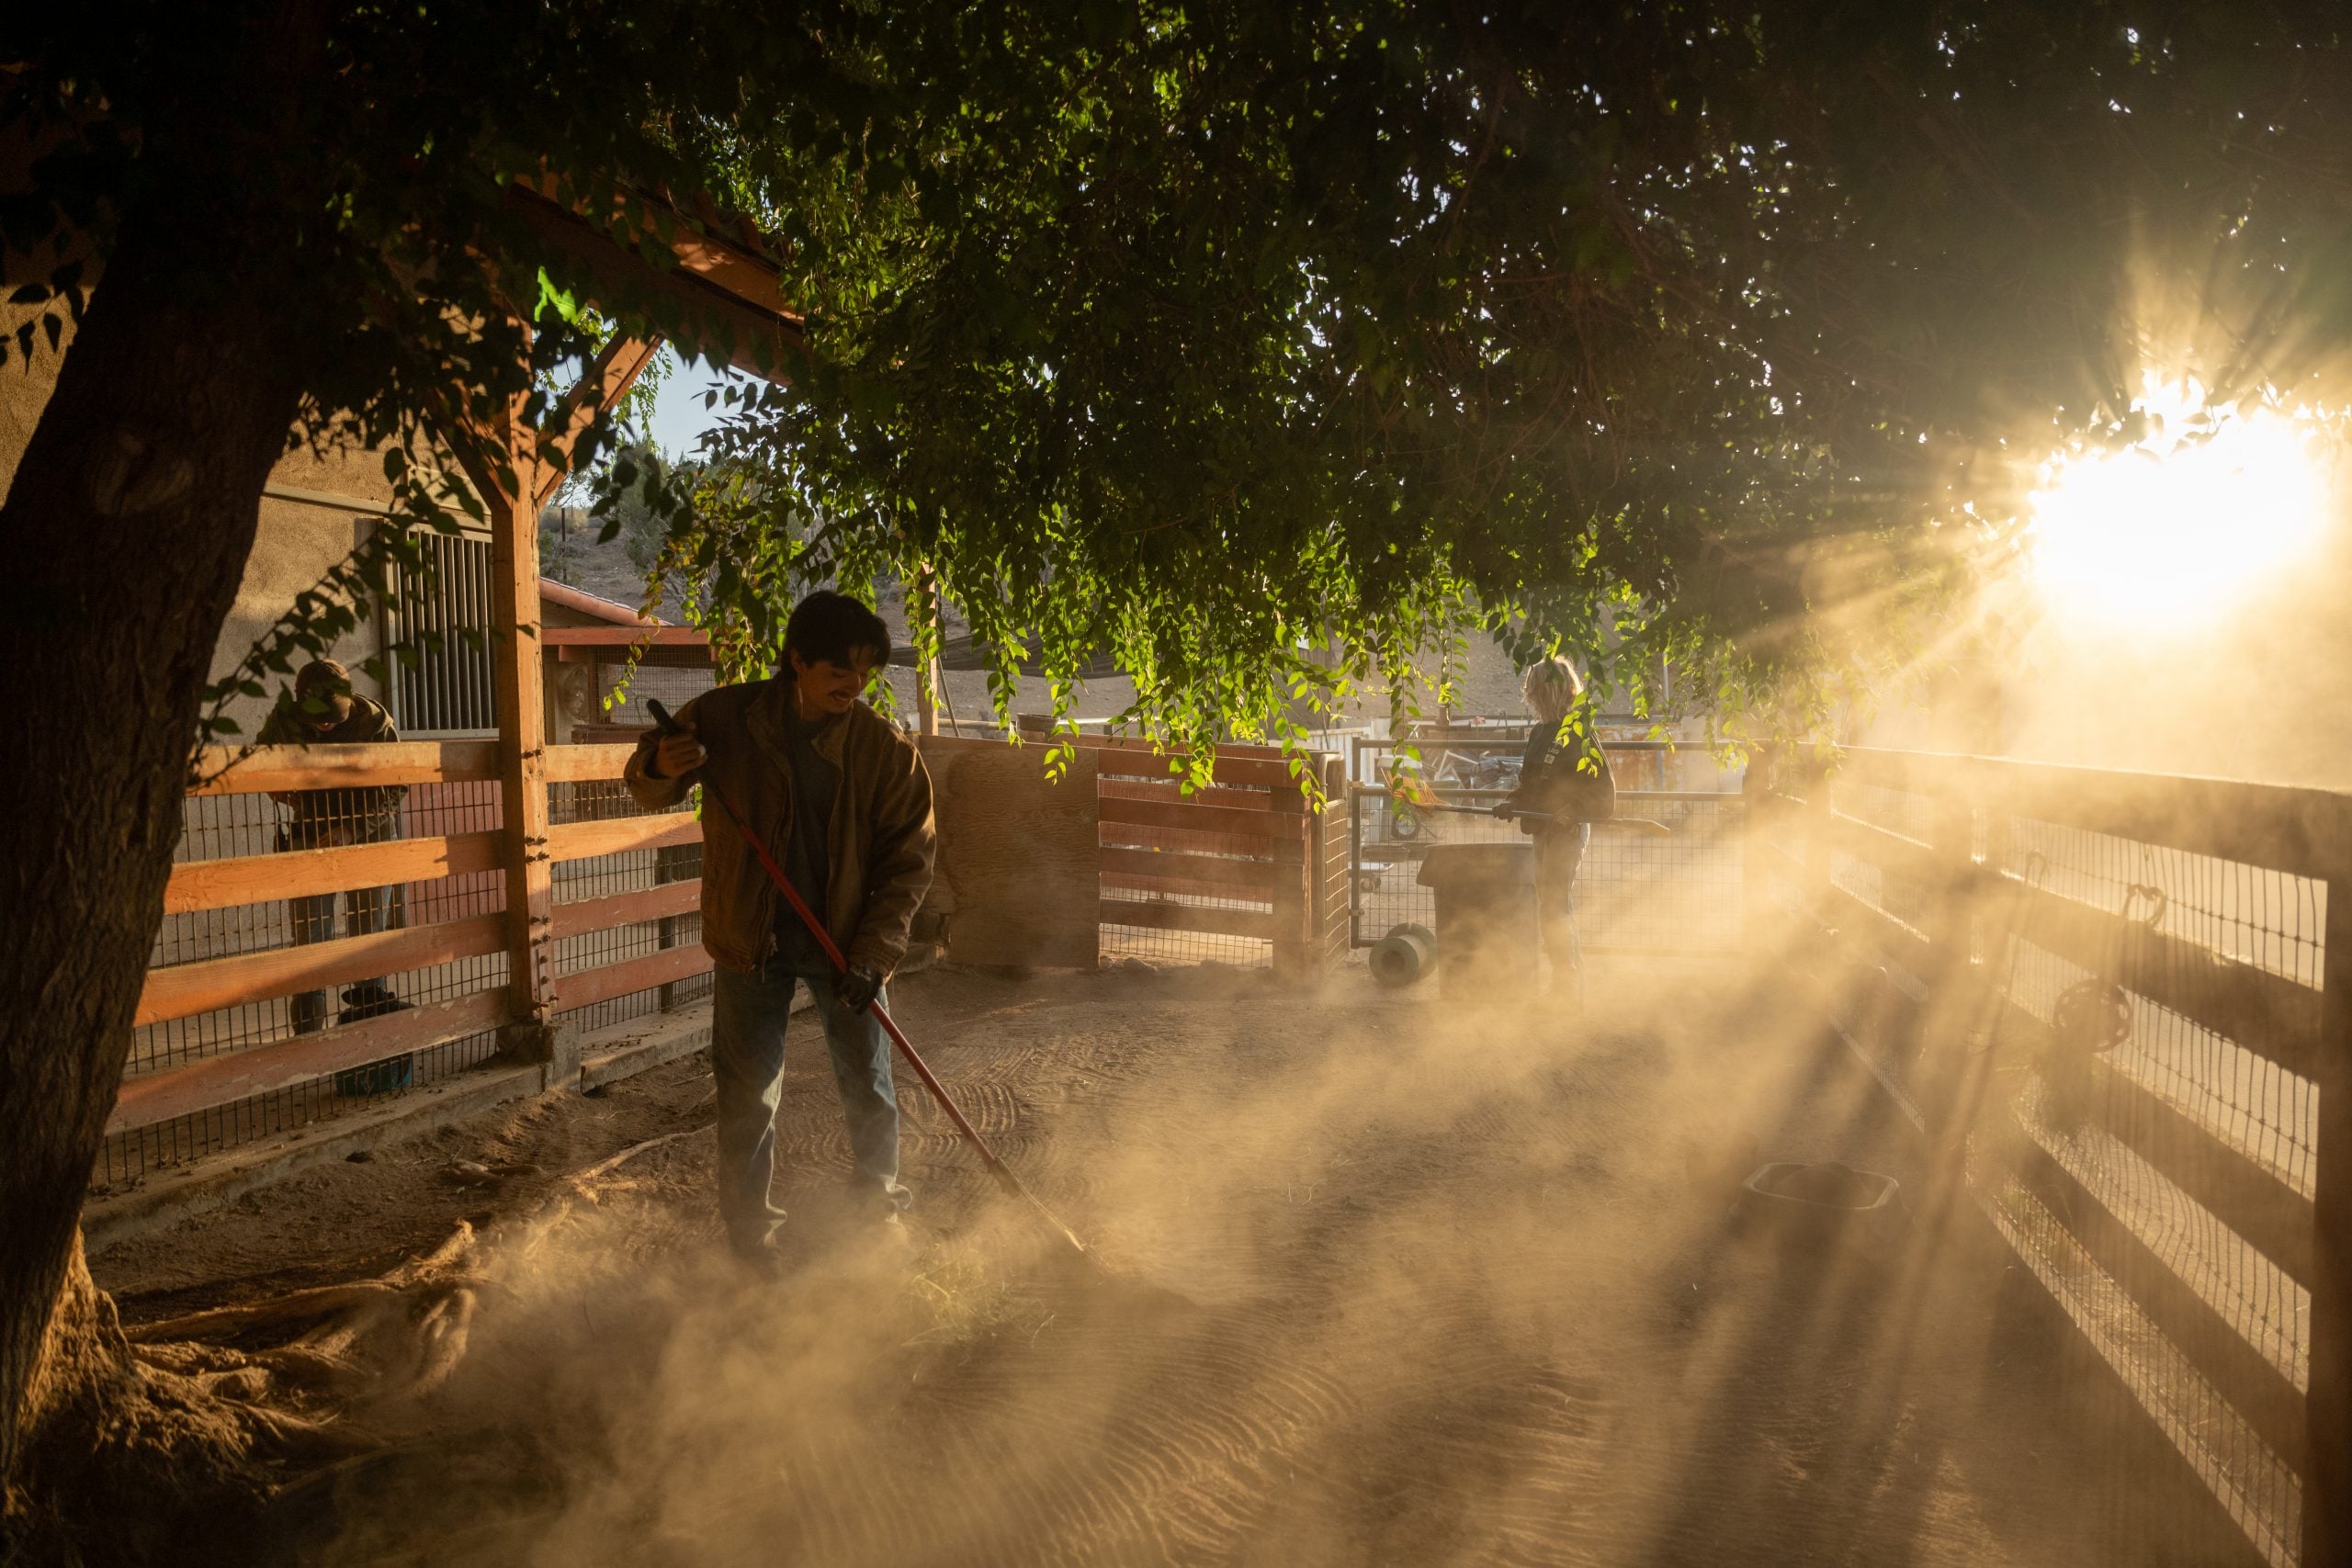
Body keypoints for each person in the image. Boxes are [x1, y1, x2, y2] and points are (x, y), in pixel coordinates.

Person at [624, 590, 936, 1263]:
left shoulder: (886, 752)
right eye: (838, 672)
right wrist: (659, 764)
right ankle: (751, 1240)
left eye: (865, 675)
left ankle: (875, 1215)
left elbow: (909, 864)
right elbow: (647, 777)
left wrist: (874, 956)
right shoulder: (725, 717)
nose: (853, 687)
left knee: (868, 1083)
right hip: (750, 939)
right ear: (797, 660)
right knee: (746, 1097)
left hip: (847, 946)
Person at [260, 659, 411, 1033]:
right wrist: (274, 785)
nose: (326, 724)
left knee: (369, 928)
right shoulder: (283, 721)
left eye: (334, 718)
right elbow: (259, 760)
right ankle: (309, 1036)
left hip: (371, 830)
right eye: (319, 718)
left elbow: (396, 786)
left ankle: (369, 1022)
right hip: (310, 826)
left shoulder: (375, 722)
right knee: (310, 934)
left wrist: (352, 828)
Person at [1499, 657, 1614, 1004]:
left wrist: (1572, 811)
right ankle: (1567, 982)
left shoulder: (1579, 731)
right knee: (1551, 903)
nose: (1530, 696)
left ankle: (1566, 986)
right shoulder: (1539, 733)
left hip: (1567, 830)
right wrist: (1512, 802)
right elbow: (1530, 784)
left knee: (1553, 905)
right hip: (1542, 828)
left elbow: (1602, 794)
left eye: (1535, 689)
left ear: (1550, 692)